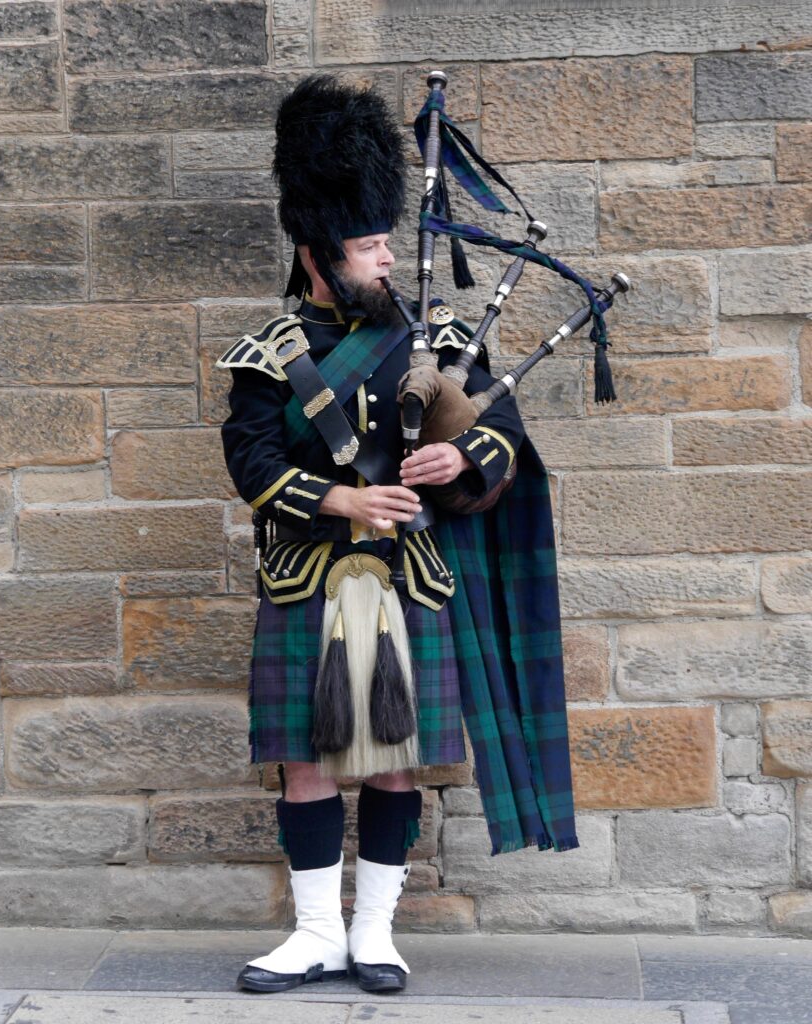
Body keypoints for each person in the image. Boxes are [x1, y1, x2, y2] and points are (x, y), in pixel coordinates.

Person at [217, 74, 579, 997]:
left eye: (387, 242)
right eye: (366, 244)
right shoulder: (269, 353)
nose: (385, 258)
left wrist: (463, 464)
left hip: (412, 576)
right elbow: (251, 463)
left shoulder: (441, 336)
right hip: (309, 578)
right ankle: (312, 936)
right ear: (317, 252)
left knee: (395, 759)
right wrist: (342, 503)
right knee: (305, 760)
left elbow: (503, 431)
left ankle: (375, 934)